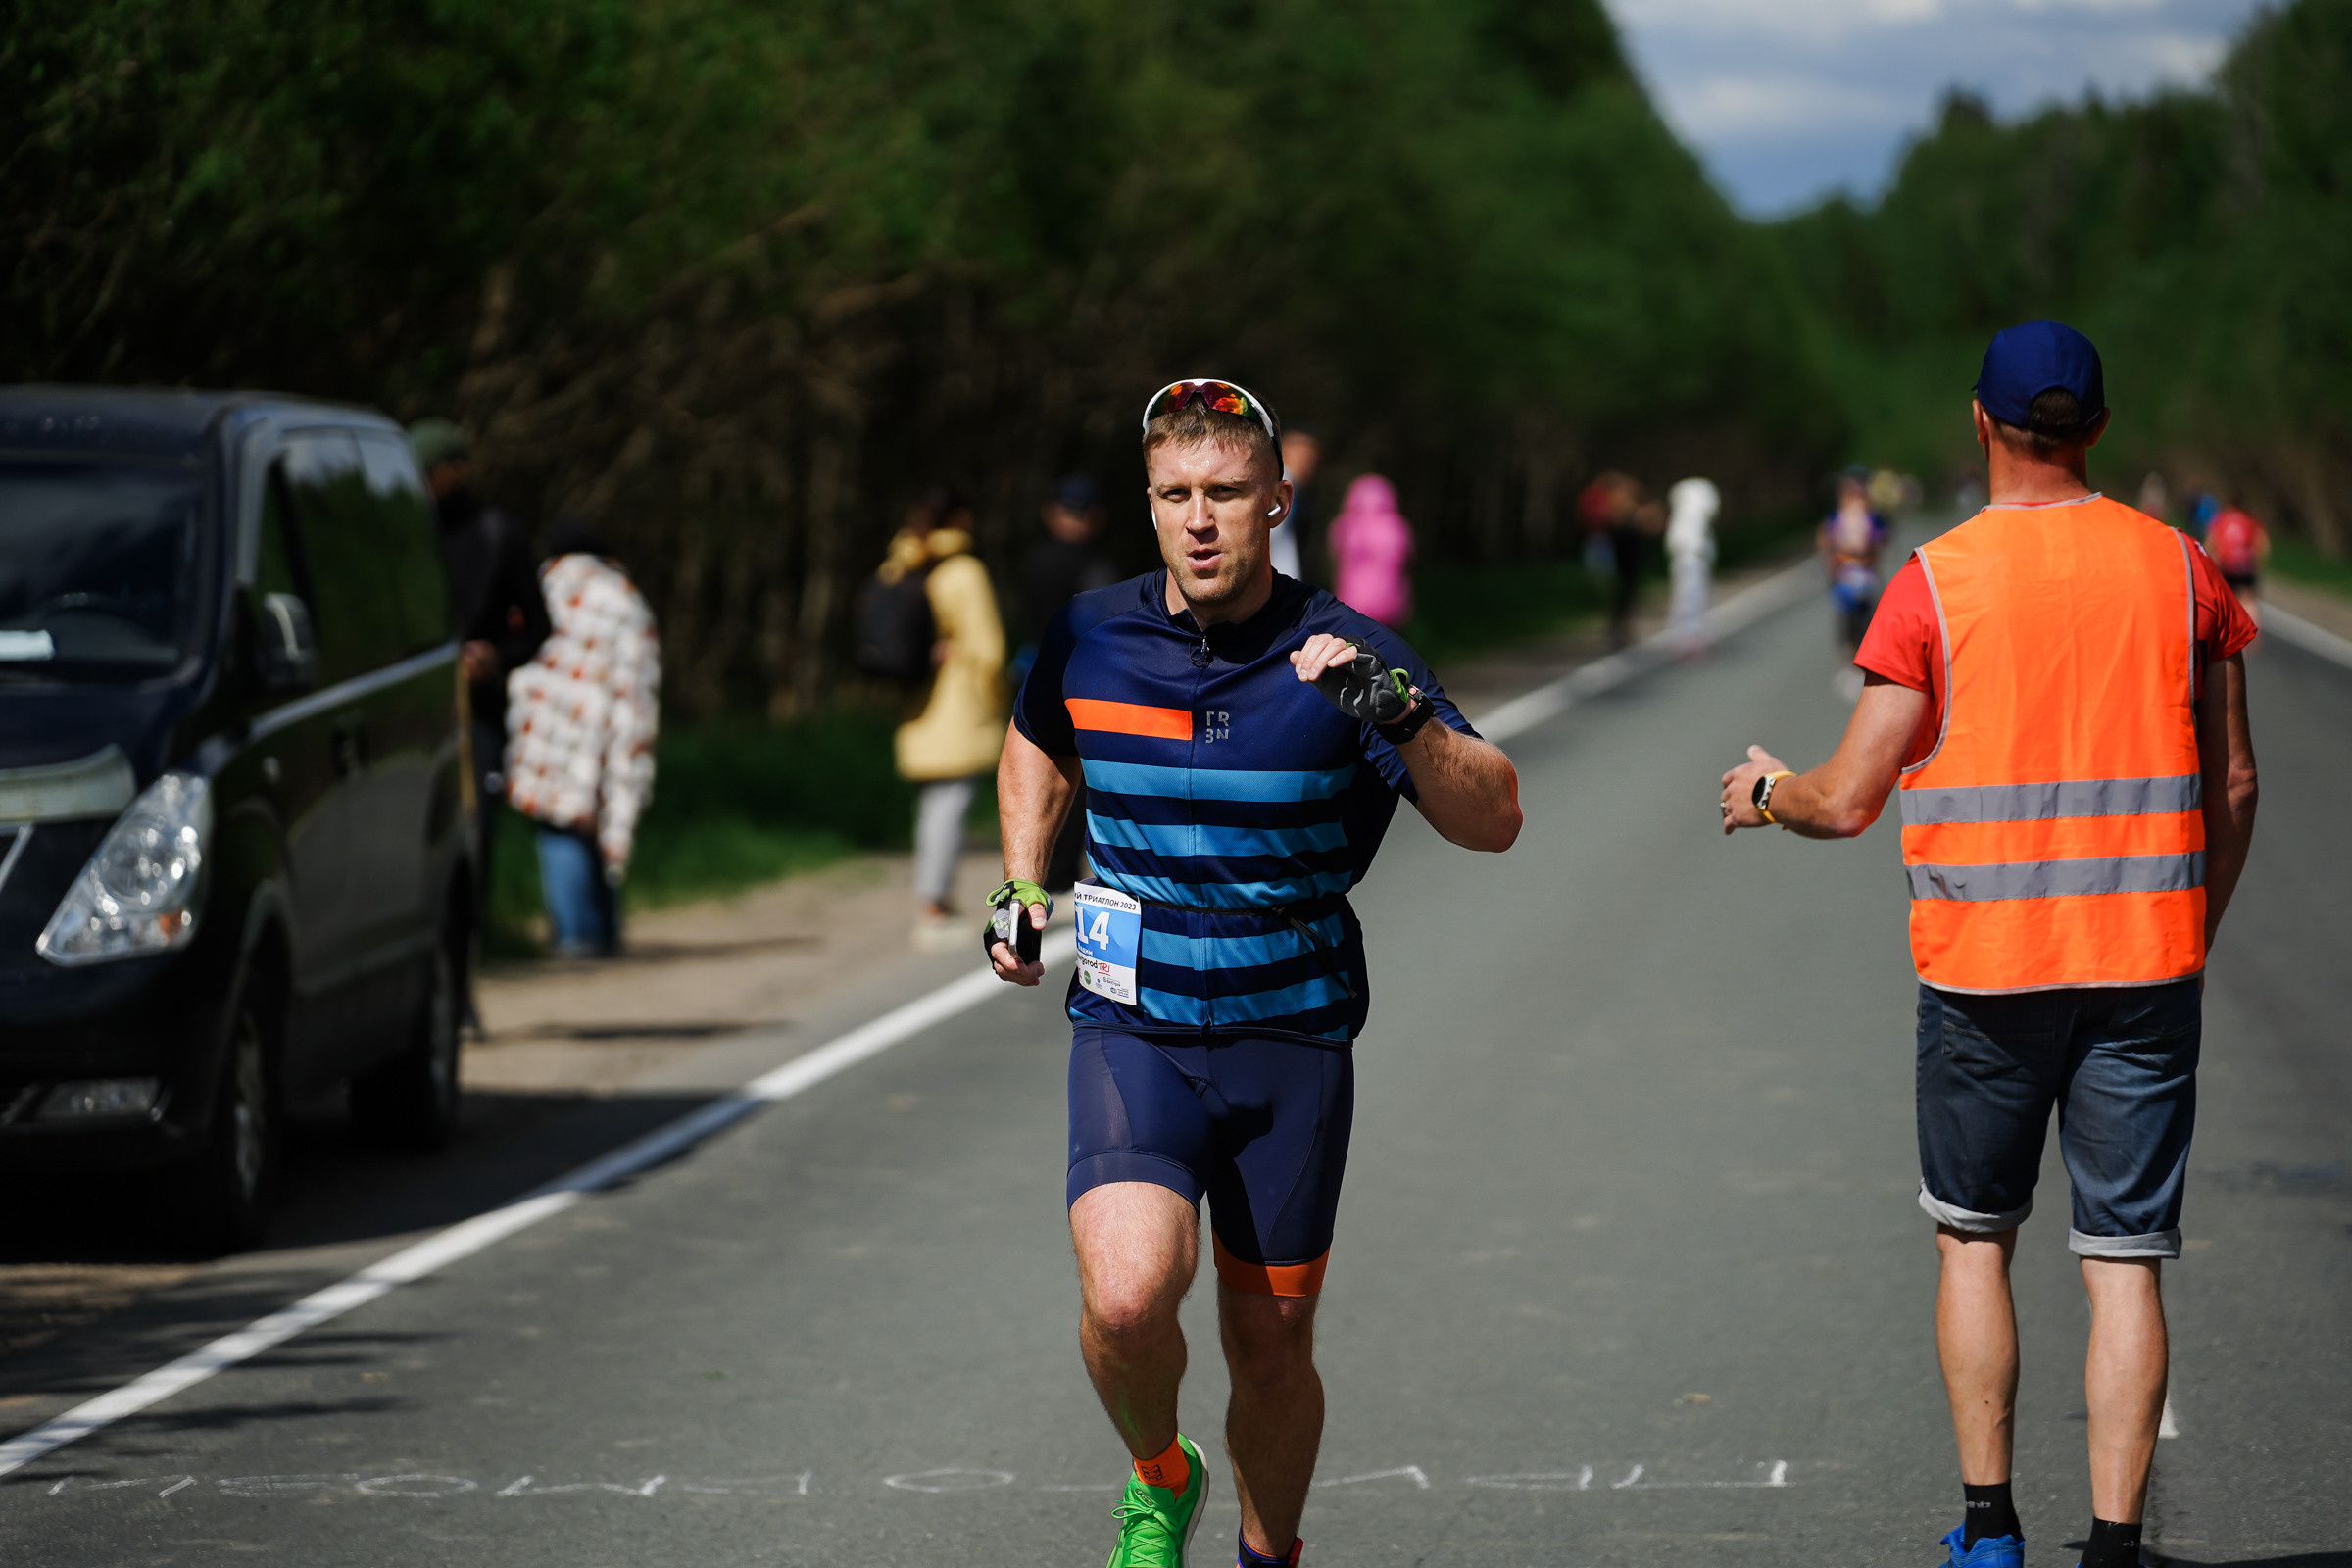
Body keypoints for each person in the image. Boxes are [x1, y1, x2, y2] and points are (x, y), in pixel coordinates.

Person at [1718, 320, 2259, 1568]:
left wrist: (1764, 791)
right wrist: (2190, 927)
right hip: (2144, 966)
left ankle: (1990, 1532)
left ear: (1981, 424)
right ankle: (2116, 1548)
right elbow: (2232, 780)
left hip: (1983, 975)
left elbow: (1850, 795)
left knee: (1976, 1235)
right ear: (2101, 433)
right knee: (2124, 1261)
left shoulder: (1936, 581)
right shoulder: (2185, 574)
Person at [987, 377, 1522, 1568]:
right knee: (1128, 1297)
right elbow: (1036, 737)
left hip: (1293, 1045)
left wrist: (1398, 715)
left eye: (1227, 492)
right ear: (1148, 502)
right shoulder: (1089, 631)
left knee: (1271, 1345)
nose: (1201, 520)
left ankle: (1267, 1555)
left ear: (1277, 500)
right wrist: (1024, 879)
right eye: (1176, 495)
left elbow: (1496, 817)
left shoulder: (1352, 652)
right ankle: (1159, 1472)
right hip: (1135, 1029)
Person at [409, 419, 553, 967]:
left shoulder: (498, 535)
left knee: (474, 842)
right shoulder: (402, 535)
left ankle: (465, 973)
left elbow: (538, 626)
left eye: (428, 475)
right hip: (415, 716)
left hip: (479, 718)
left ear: (457, 472)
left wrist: (495, 658)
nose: (419, 486)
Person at [503, 517, 661, 958]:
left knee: (559, 825)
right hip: (605, 727)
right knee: (605, 821)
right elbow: (639, 676)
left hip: (544, 735)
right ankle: (605, 930)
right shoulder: (621, 596)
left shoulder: (538, 589)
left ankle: (573, 936)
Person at [882, 484, 1007, 950]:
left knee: (934, 806)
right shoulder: (962, 571)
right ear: (961, 520)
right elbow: (989, 648)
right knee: (948, 807)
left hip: (916, 706)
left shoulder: (900, 565)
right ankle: (933, 905)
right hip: (956, 706)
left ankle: (936, 900)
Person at [1020, 473, 1120, 889]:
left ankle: (1036, 872)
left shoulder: (1030, 560)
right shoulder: (1096, 566)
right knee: (1075, 776)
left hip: (1033, 670)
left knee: (1031, 769)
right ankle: (1060, 872)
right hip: (1082, 678)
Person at [1820, 466, 1888, 700]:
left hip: (1865, 578)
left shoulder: (1872, 517)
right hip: (1845, 579)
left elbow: (1879, 544)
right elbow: (1826, 543)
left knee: (1865, 620)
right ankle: (1850, 659)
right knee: (1848, 621)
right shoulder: (1836, 517)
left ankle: (1863, 662)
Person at [1325, 472, 1414, 628]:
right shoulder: (1397, 526)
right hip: (1390, 602)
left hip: (1353, 600)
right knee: (1388, 645)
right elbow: (1407, 559)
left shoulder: (1345, 525)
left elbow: (1337, 558)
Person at [1664, 476, 1721, 657]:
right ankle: (1687, 638)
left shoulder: (1687, 516)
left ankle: (1694, 635)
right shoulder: (1689, 515)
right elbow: (1683, 543)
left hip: (1693, 562)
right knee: (1689, 598)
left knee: (1696, 598)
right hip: (1690, 563)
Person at [2202, 498, 2269, 628]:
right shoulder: (2250, 520)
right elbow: (2263, 544)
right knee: (2248, 600)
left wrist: (2212, 563)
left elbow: (2210, 542)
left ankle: (2224, 632)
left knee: (2224, 600)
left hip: (2227, 564)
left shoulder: (2221, 519)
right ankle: (2253, 634)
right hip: (2246, 566)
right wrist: (2257, 563)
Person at [1272, 427, 1321, 582]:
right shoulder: (1284, 484)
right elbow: (1273, 534)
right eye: (1302, 454)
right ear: (1285, 450)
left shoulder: (1297, 488)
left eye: (1311, 457)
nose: (1307, 463)